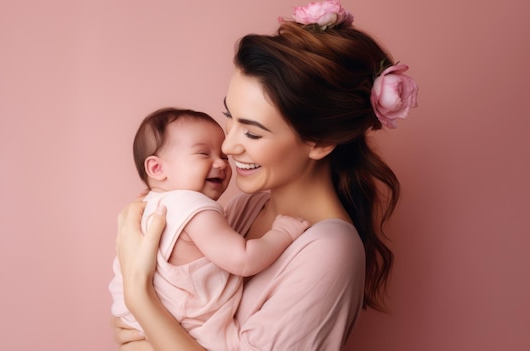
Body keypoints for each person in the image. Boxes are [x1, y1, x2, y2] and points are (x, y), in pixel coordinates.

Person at [113, 1, 418, 350]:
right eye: (230, 116)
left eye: (253, 133)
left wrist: (139, 296)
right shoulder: (246, 208)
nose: (227, 146)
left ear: (319, 142)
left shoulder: (330, 251)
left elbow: (141, 331)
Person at [109, 107, 310, 351]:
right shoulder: (193, 206)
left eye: (223, 156)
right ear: (157, 168)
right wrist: (283, 233)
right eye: (203, 154)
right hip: (188, 329)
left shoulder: (145, 207)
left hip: (140, 327)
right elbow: (243, 259)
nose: (221, 163)